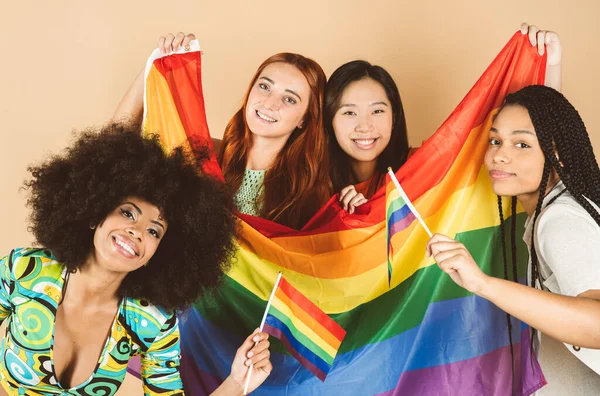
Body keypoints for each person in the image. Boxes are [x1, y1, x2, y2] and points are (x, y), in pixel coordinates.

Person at [0, 123, 272, 395]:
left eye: (154, 230)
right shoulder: (24, 270)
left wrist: (237, 382)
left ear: (160, 252)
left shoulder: (150, 320)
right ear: (96, 214)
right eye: (128, 213)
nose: (137, 232)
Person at [426, 85, 600, 394]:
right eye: (495, 141)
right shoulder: (556, 209)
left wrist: (482, 283)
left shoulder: (558, 221)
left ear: (556, 152)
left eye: (521, 144)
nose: (499, 156)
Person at [333, 23, 562, 214]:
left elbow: (533, 142)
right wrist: (346, 222)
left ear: (394, 117)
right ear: (328, 119)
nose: (365, 126)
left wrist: (549, 67)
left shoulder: (422, 168)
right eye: (349, 112)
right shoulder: (314, 185)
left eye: (378, 111)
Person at [114, 33, 331, 229]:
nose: (270, 103)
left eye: (289, 99)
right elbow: (113, 148)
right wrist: (151, 68)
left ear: (305, 119)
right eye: (264, 86)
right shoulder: (205, 154)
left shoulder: (309, 195)